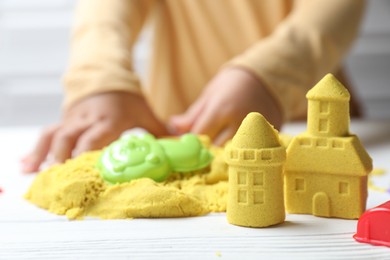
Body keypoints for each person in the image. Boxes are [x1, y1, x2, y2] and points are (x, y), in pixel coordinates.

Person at [21, 0, 365, 173]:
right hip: (167, 129)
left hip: (304, 126)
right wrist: (99, 77)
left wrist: (270, 75)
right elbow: (108, 11)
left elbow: (334, 11)